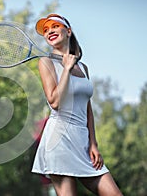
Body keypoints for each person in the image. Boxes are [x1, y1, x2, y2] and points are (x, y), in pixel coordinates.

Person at [31, 13, 123, 196]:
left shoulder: (84, 68)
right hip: (59, 141)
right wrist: (65, 69)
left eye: (55, 26)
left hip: (83, 143)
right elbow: (55, 102)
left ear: (68, 31)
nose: (50, 31)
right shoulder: (46, 62)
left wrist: (93, 144)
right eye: (46, 30)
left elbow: (87, 108)